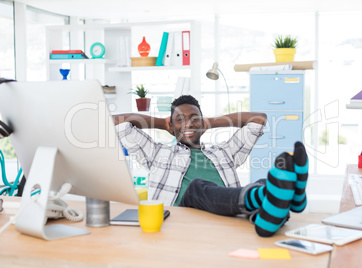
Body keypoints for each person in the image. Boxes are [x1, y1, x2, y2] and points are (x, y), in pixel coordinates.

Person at [114, 95, 308, 237]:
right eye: (180, 120)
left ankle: (270, 215)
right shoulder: (158, 154)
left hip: (228, 222)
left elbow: (258, 120)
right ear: (171, 127)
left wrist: (210, 122)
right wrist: (163, 124)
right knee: (197, 187)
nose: (188, 123)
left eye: (194, 118)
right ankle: (294, 201)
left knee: (265, 182)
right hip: (179, 224)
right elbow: (118, 123)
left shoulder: (224, 152)